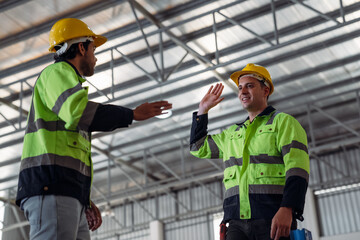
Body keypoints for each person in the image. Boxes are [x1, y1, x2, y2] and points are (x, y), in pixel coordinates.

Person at [15, 18, 172, 240]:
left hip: (66, 190)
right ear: (81, 46)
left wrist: (83, 198)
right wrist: (131, 114)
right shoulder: (57, 72)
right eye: (93, 48)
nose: (95, 57)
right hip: (52, 187)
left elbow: (68, 143)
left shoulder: (66, 82)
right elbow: (76, 112)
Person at [190, 63, 310, 240]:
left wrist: (288, 208)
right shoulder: (232, 134)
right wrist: (202, 111)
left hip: (272, 218)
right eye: (240, 88)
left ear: (265, 90)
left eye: (250, 86)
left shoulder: (283, 123)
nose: (243, 92)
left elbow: (297, 169)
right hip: (236, 223)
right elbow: (197, 147)